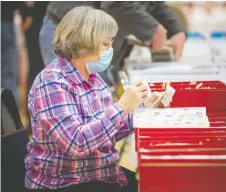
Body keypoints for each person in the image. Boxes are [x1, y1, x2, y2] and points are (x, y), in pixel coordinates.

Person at [25, 6, 164, 192]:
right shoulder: (51, 83)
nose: (110, 50)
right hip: (66, 183)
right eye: (106, 44)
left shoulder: (93, 78)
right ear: (84, 44)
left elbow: (105, 133)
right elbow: (77, 143)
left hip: (98, 173)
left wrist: (142, 109)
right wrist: (122, 107)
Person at [39, 1, 186, 85]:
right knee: (74, 98)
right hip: (71, 32)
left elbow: (153, 4)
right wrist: (153, 30)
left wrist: (177, 30)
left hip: (95, 37)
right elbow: (116, 3)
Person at [1, 1, 34, 104]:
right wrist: (26, 11)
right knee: (8, 73)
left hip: (6, 23)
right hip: (5, 24)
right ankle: (9, 112)